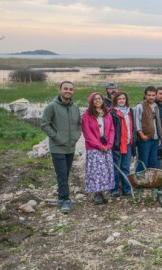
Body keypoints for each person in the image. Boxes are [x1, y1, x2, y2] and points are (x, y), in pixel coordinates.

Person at [41, 81, 82, 213]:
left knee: (66, 173)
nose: (68, 91)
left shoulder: (75, 107)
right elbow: (45, 124)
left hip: (70, 147)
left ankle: (60, 196)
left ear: (73, 91)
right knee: (62, 174)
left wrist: (76, 136)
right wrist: (57, 137)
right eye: (65, 89)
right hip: (57, 147)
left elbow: (78, 124)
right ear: (60, 90)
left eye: (70, 89)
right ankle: (65, 200)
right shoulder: (51, 107)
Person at [82, 92, 115, 205]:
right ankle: (96, 194)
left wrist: (109, 144)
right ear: (91, 102)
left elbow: (111, 130)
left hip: (106, 147)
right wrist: (99, 146)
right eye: (95, 99)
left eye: (99, 99)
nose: (97, 101)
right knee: (96, 171)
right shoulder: (87, 115)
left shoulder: (107, 114)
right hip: (94, 148)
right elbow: (87, 133)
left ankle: (103, 192)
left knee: (105, 170)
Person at [109, 91, 134, 198]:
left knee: (126, 167)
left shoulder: (130, 111)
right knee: (116, 168)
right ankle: (114, 189)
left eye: (123, 98)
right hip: (117, 145)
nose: (121, 101)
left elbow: (132, 127)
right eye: (119, 99)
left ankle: (126, 188)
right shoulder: (112, 113)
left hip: (128, 143)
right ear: (115, 100)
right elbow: (110, 130)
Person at [134, 86, 162, 172]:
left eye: (153, 95)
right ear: (145, 95)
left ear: (155, 96)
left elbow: (157, 122)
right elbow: (137, 122)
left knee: (153, 162)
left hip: (155, 138)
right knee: (143, 162)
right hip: (144, 139)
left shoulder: (155, 106)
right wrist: (141, 135)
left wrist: (159, 136)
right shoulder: (140, 106)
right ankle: (139, 182)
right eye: (149, 95)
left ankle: (149, 183)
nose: (151, 97)